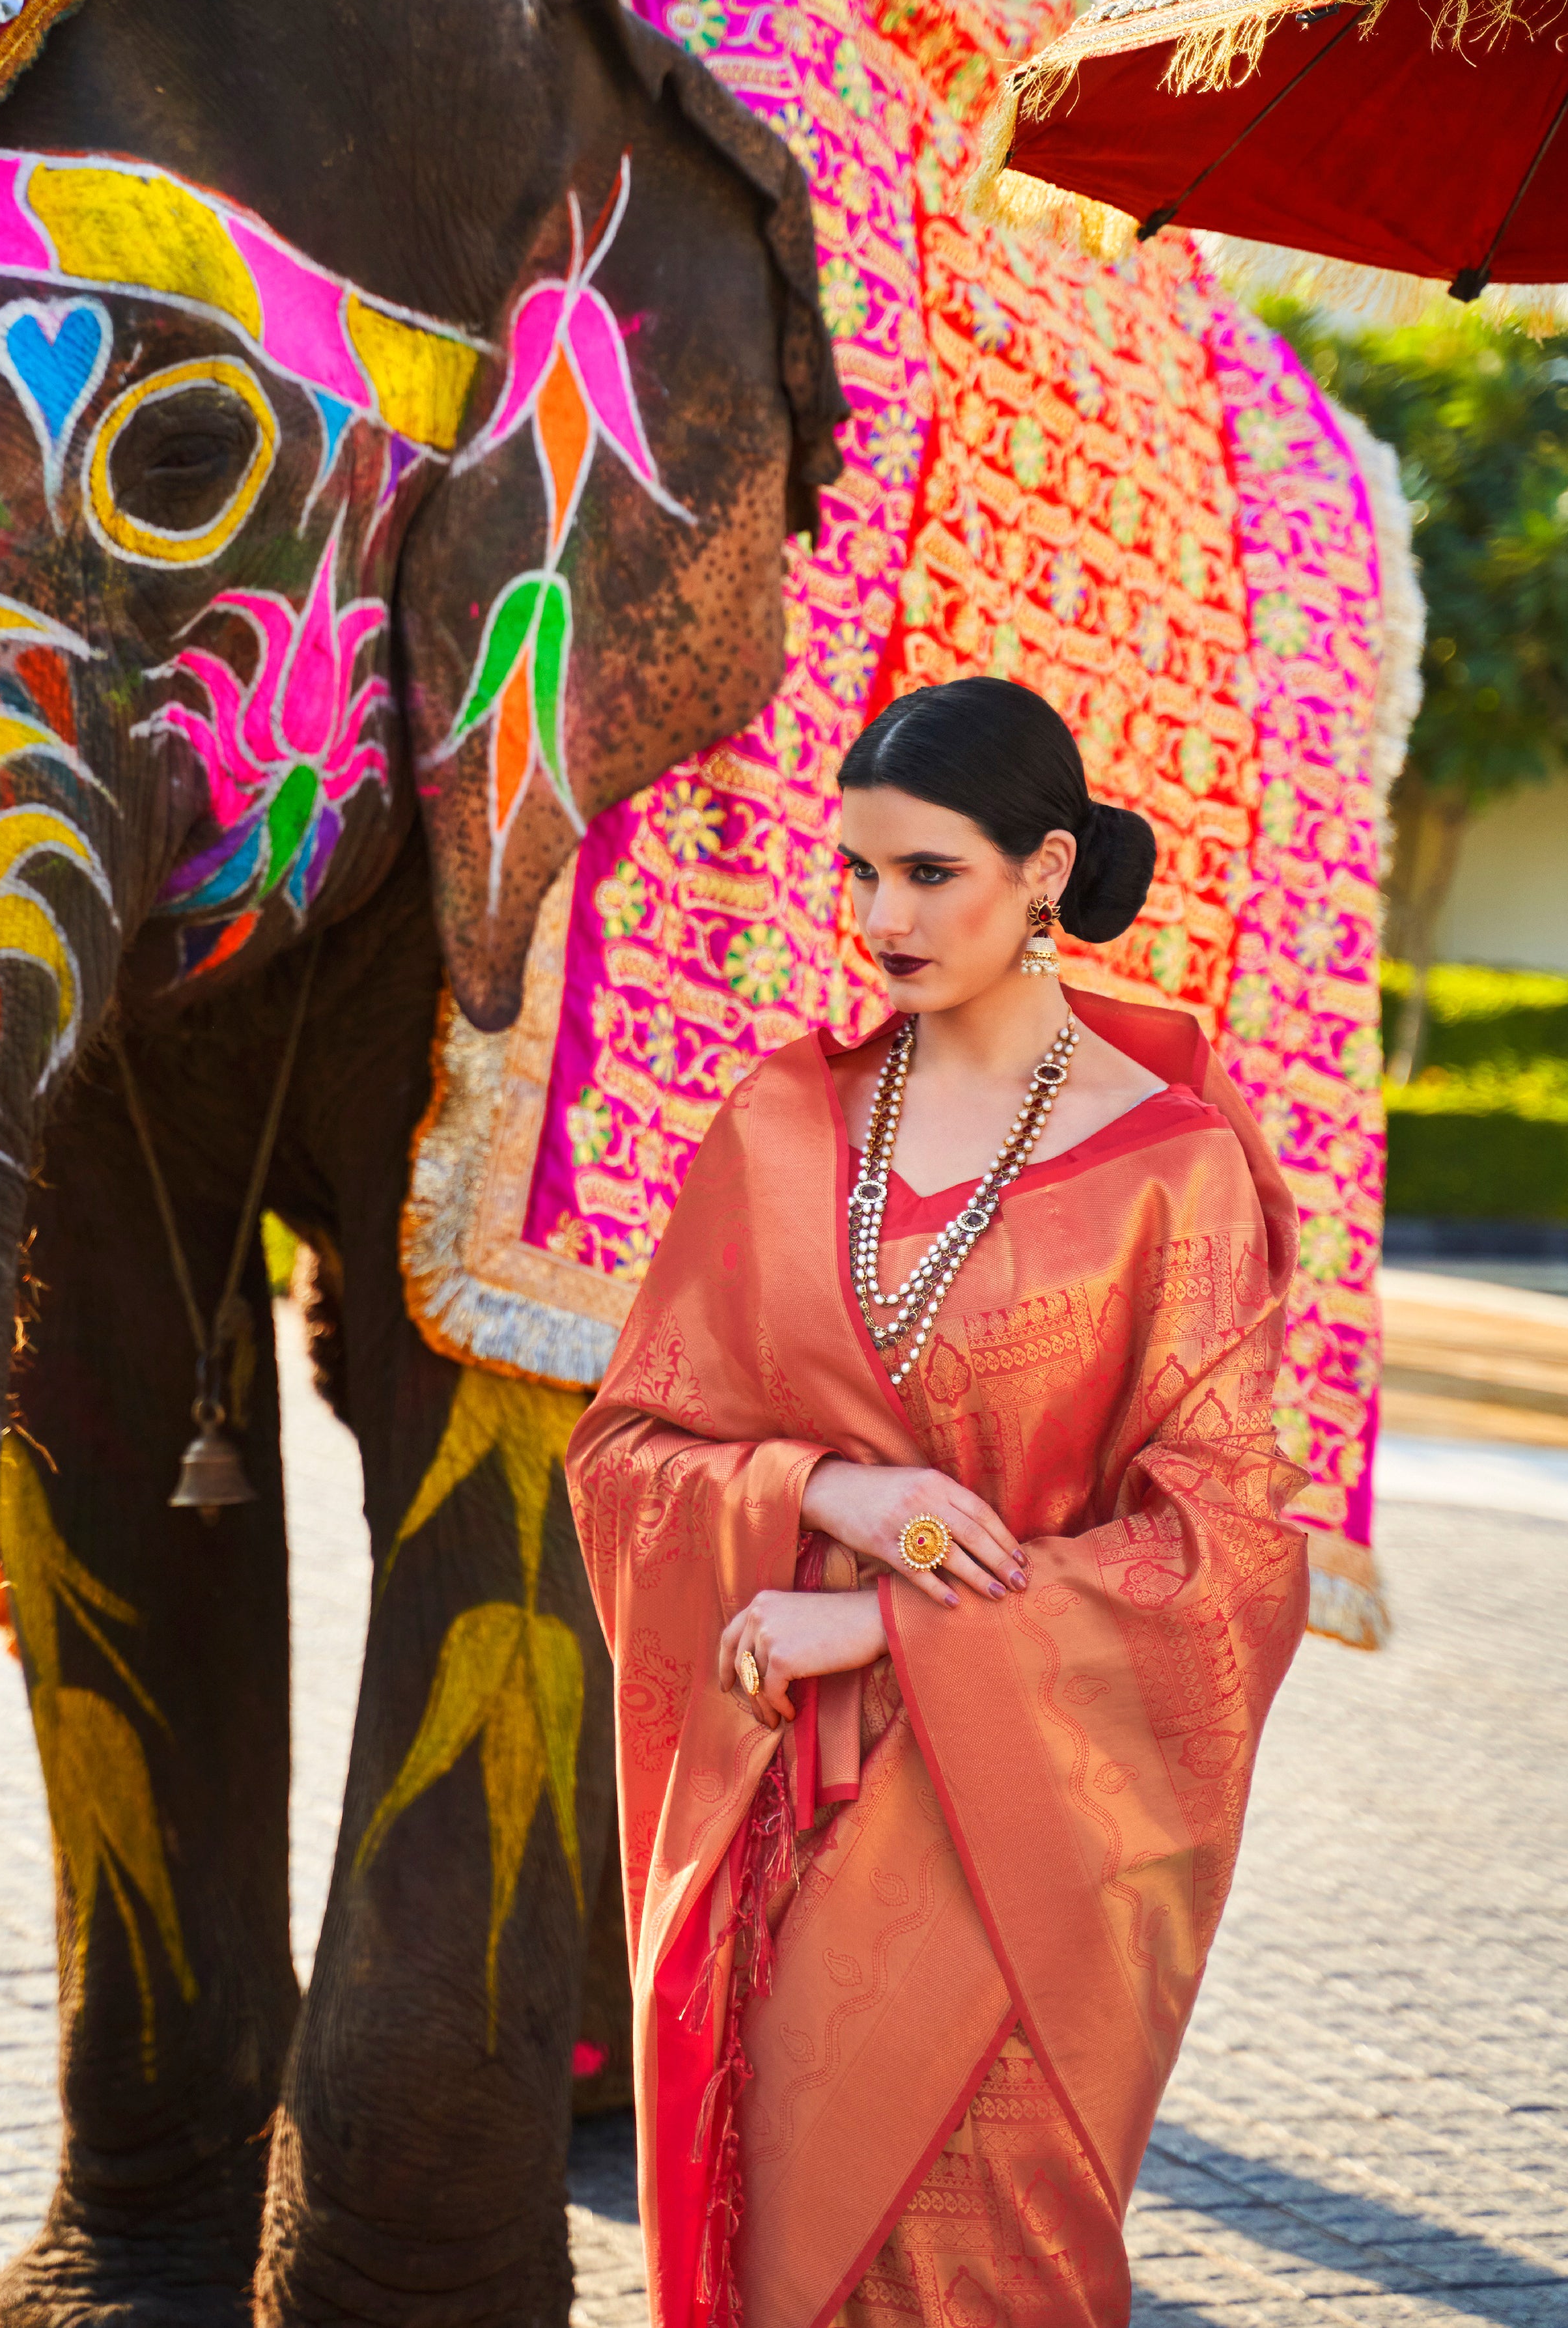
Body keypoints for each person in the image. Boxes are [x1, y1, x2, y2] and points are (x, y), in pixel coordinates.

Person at [565, 676, 1308, 2328]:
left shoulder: (1171, 1170)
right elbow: (625, 1457)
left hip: (1023, 1850)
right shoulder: (779, 1124)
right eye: (859, 873)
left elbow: (1229, 1558)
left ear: (1045, 868)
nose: (880, 917)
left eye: (929, 874)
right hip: (786, 1831)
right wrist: (835, 1488)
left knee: (993, 2269)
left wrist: (880, 1622)